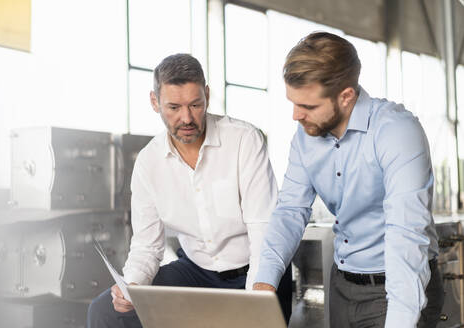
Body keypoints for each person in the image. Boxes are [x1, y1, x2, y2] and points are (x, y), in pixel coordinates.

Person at [253, 32, 444, 327]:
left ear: (346, 96)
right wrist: (264, 282)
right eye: (293, 102)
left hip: (397, 286)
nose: (295, 115)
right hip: (342, 286)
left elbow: (405, 235)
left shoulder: (396, 131)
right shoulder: (305, 138)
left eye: (308, 106)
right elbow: (291, 210)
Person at [87, 53, 292, 328]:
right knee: (105, 312)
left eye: (196, 105)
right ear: (154, 102)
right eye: (173, 107)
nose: (187, 118)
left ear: (207, 95)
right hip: (196, 273)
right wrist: (132, 287)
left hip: (256, 272)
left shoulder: (244, 140)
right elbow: (147, 246)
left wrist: (255, 297)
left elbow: (263, 232)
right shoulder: (149, 162)